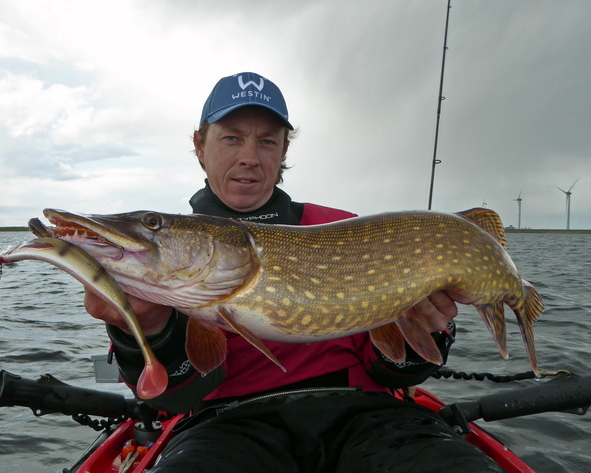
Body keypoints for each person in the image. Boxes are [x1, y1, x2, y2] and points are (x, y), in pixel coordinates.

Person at [84, 72, 504, 472]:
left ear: (284, 151)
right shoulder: (165, 256)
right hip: (229, 427)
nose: (249, 157)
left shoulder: (346, 229)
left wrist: (426, 330)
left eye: (267, 141)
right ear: (199, 145)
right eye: (231, 138)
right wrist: (149, 330)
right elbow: (177, 397)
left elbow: (394, 368)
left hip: (366, 417)